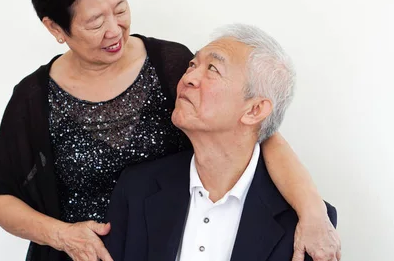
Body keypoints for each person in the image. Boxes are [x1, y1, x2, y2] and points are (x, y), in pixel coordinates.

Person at [0, 0, 341, 261]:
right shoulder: (34, 97)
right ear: (56, 29)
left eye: (120, 9)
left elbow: (253, 130)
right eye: (94, 21)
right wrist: (63, 236)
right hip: (78, 254)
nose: (114, 29)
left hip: (167, 240)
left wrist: (312, 211)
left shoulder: (171, 65)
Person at [103, 24, 337, 261]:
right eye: (192, 65)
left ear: (255, 109)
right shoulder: (137, 189)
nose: (188, 78)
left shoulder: (309, 226)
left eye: (213, 69)